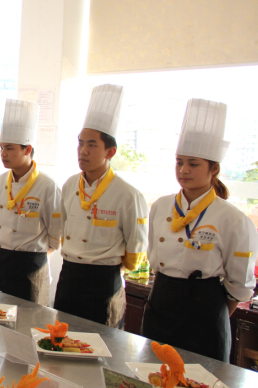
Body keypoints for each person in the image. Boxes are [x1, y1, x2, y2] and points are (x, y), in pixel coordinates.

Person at [142, 99, 258, 362]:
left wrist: (210, 314)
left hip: (204, 315)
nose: (183, 170)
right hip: (160, 304)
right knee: (152, 373)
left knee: (201, 381)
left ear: (213, 168)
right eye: (179, 162)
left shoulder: (232, 219)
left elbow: (240, 284)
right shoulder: (161, 206)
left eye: (193, 164)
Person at [54, 84, 148, 328]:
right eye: (80, 143)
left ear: (110, 152)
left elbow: (135, 247)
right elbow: (64, 227)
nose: (83, 151)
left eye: (92, 145)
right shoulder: (69, 185)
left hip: (104, 283)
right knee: (60, 339)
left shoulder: (127, 194)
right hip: (69, 276)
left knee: (102, 344)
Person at [0, 99, 62, 305]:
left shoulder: (47, 186)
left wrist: (36, 257)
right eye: (1, 148)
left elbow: (56, 235)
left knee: (30, 320)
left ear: (27, 149)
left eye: (9, 148)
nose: (3, 154)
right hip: (2, 261)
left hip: (32, 266)